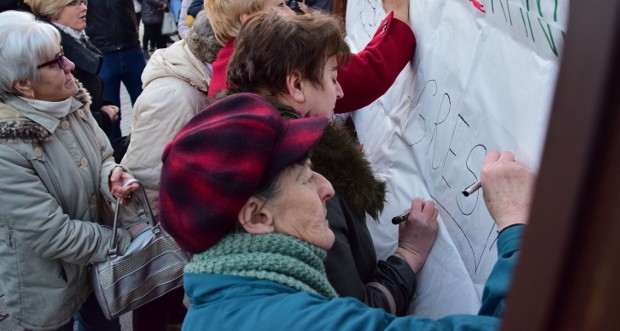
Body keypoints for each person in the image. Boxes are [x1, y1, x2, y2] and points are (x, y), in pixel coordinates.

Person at [158, 92, 536, 330]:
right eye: (305, 178)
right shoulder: (301, 322)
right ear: (257, 217)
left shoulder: (217, 304)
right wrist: (517, 223)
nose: (327, 187)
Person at [223, 11, 437, 313]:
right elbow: (354, 314)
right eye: (333, 78)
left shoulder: (232, 143)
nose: (340, 91)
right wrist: (410, 253)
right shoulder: (304, 179)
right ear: (296, 85)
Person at [0, 11, 140, 330]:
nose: (71, 66)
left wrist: (111, 176)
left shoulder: (69, 100)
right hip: (50, 287)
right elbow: (49, 233)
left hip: (94, 270)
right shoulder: (6, 147)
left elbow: (102, 155)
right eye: (55, 62)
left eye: (63, 55)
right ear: (23, 84)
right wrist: (122, 241)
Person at [205, 0, 416, 117]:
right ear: (250, 18)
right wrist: (396, 17)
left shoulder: (226, 62)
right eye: (280, 5)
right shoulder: (280, 55)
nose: (291, 13)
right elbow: (367, 75)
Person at [121, 11, 221, 330]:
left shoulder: (194, 76)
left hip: (176, 212)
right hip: (161, 219)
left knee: (169, 286)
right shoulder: (175, 95)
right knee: (156, 288)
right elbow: (144, 171)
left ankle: (171, 315)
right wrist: (150, 233)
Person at [70, 0, 154, 144]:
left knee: (144, 102)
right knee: (111, 110)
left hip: (131, 49)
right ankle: (116, 153)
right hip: (100, 53)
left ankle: (147, 143)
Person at [29, 0, 120, 136]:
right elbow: (61, 117)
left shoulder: (75, 38)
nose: (83, 8)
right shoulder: (48, 49)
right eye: (73, 3)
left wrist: (102, 104)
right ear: (52, 7)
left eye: (83, 1)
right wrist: (103, 117)